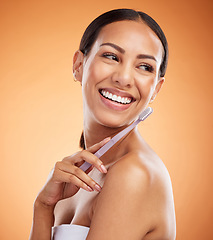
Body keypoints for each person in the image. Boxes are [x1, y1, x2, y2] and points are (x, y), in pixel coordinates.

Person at [29, 8, 176, 240]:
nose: (124, 78)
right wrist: (43, 206)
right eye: (111, 56)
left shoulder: (133, 175)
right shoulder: (71, 178)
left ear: (156, 88)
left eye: (144, 67)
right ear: (79, 65)